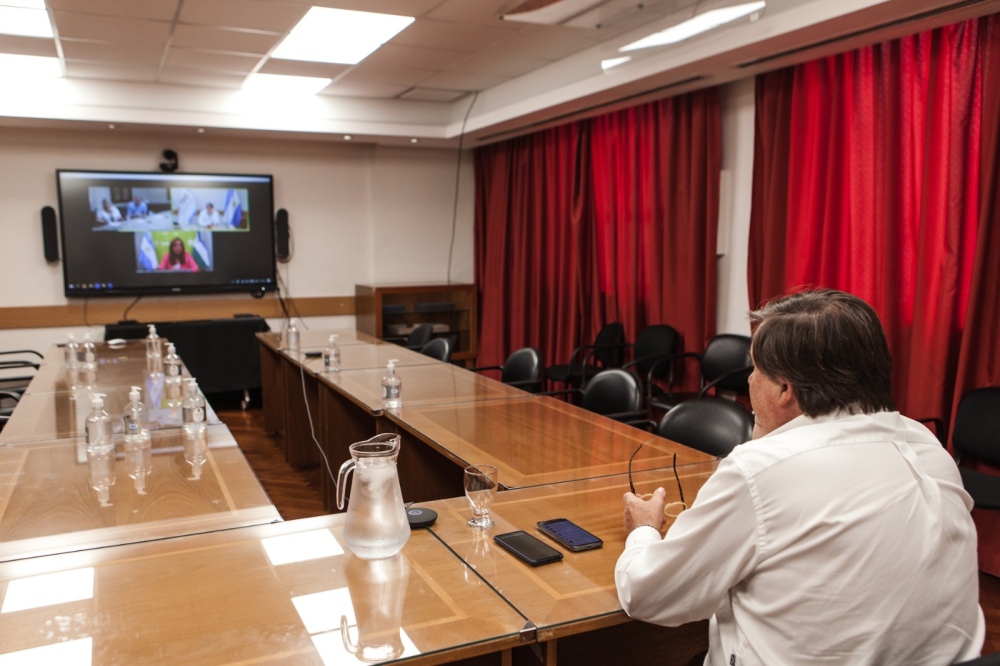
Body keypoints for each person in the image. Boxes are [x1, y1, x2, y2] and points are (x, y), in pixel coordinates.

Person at [615, 289, 984, 666]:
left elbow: (650, 594)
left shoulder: (761, 468)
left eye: (755, 370)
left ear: (784, 389)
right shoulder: (927, 446)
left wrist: (644, 530)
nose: (749, 382)